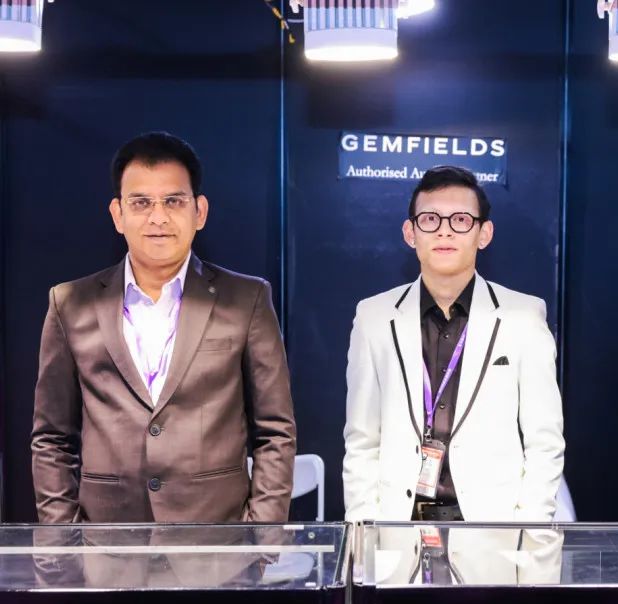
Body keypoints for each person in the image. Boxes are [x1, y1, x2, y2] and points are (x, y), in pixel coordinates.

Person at [31, 131, 296, 523]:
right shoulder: (70, 303)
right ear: (118, 214)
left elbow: (275, 432)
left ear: (199, 212)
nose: (158, 217)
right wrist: (63, 542)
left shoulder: (247, 299)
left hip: (218, 545)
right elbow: (52, 438)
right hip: (105, 545)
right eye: (141, 203)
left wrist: (259, 539)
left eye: (173, 201)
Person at [342, 165, 565, 522]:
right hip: (399, 526)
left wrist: (530, 532)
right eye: (430, 219)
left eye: (460, 220)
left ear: (484, 233)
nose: (444, 231)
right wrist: (365, 527)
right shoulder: (373, 318)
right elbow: (362, 440)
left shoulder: (524, 317)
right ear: (410, 232)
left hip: (492, 530)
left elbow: (544, 442)